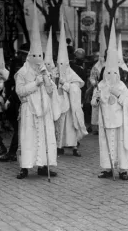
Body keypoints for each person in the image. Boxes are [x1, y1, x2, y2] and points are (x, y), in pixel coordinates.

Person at [15, 1, 58, 179]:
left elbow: (51, 90)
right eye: (35, 56)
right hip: (29, 110)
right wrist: (36, 83)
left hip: (44, 109)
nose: (38, 59)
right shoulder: (22, 72)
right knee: (28, 138)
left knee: (45, 137)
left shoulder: (44, 70)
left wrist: (45, 77)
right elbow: (20, 91)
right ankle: (25, 167)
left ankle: (43, 165)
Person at [91, 20, 128, 181]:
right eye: (108, 73)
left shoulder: (122, 86)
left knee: (120, 146)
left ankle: (123, 170)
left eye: (113, 73)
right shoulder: (100, 85)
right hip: (105, 121)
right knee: (105, 145)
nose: (110, 77)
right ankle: (108, 169)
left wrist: (118, 94)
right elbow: (93, 104)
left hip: (118, 121)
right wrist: (96, 98)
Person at [55, 14, 88, 157]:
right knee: (60, 127)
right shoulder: (54, 72)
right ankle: (59, 146)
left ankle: (74, 147)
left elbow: (76, 89)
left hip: (71, 106)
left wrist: (65, 84)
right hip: (59, 105)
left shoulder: (71, 73)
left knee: (72, 127)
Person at [89, 28, 107, 135]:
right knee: (95, 108)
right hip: (97, 88)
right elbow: (91, 77)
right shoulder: (95, 66)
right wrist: (94, 83)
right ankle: (96, 127)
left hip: (107, 89)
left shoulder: (110, 65)